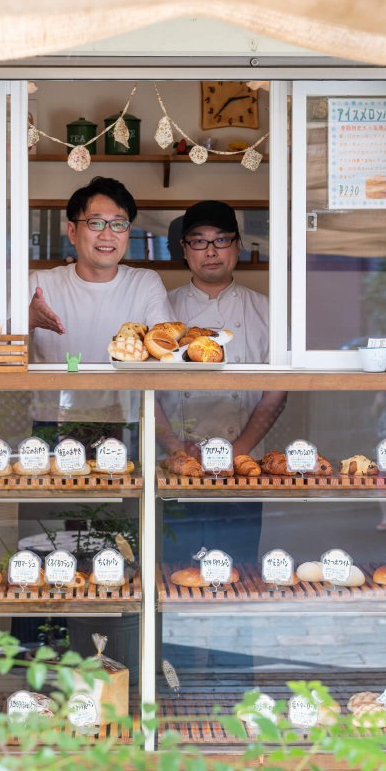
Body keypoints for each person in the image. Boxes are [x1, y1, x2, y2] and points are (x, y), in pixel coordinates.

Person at [157, 200, 286, 563]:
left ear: (238, 245)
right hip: (176, 466)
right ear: (184, 249)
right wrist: (175, 448)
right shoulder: (161, 311)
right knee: (174, 572)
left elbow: (277, 391)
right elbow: (143, 389)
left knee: (237, 571)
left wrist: (239, 450)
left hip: (244, 471)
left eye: (221, 240)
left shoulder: (266, 312)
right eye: (199, 241)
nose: (210, 251)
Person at [27, 176, 171, 451]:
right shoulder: (40, 284)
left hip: (125, 420)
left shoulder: (145, 283)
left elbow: (165, 352)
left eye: (119, 224)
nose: (108, 235)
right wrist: (28, 321)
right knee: (50, 492)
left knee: (125, 492)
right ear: (72, 231)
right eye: (95, 223)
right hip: (50, 419)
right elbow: (2, 352)